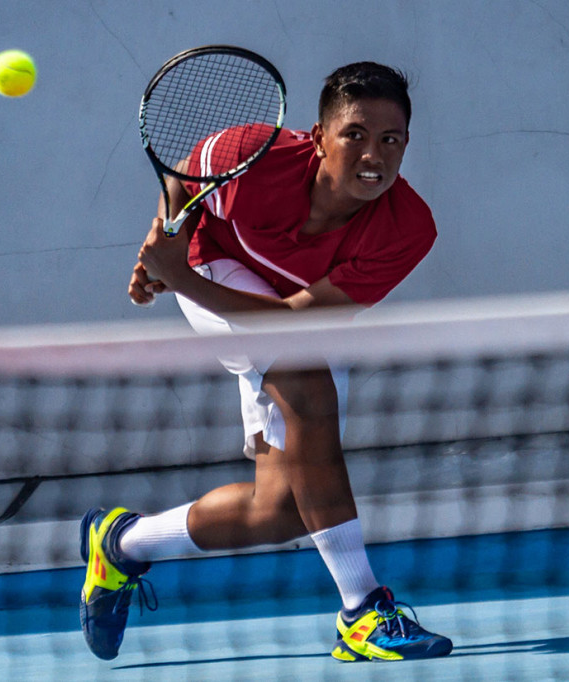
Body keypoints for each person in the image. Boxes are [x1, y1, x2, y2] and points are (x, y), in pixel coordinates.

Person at [80, 61, 453, 663]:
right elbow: (185, 178)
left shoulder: (407, 228)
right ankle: (362, 611)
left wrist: (171, 276)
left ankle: (121, 543)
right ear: (317, 136)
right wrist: (164, 245)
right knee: (305, 377)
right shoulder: (253, 155)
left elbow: (294, 317)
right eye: (355, 134)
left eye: (391, 140)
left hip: (272, 308)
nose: (373, 155)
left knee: (282, 510)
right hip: (213, 266)